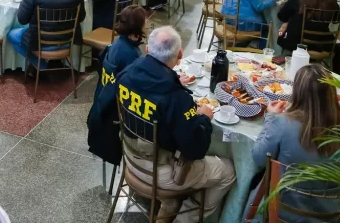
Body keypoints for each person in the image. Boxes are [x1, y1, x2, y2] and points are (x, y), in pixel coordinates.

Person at [89, 26, 236, 221]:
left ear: (148, 50)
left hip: (129, 157)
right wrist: (203, 118)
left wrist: (173, 81)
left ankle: (172, 204)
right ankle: (186, 217)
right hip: (161, 172)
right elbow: (195, 150)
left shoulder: (127, 73)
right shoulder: (177, 99)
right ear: (180, 55)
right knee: (228, 170)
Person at [251, 64, 340, 222]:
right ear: (332, 93)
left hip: (285, 212)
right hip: (333, 212)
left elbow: (258, 158)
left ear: (297, 93)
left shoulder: (282, 123)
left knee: (252, 186)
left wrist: (271, 118)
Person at [276, 0, 340, 52]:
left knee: (285, 30)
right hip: (321, 42)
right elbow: (337, 19)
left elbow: (281, 16)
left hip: (296, 41)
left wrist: (288, 21)